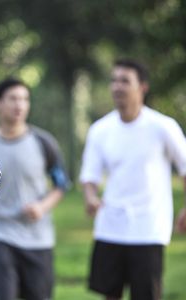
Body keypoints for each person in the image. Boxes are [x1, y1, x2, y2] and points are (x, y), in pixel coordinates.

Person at [79, 58, 186, 300]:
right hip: (110, 226)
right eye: (114, 80)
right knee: (110, 294)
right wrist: (91, 197)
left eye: (125, 81)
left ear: (142, 87)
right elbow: (90, 175)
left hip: (148, 228)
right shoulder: (100, 130)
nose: (117, 86)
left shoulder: (162, 127)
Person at [0, 78, 70, 300]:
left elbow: (61, 184)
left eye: (24, 99)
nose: (19, 105)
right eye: (13, 99)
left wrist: (42, 206)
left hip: (37, 238)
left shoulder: (43, 142)